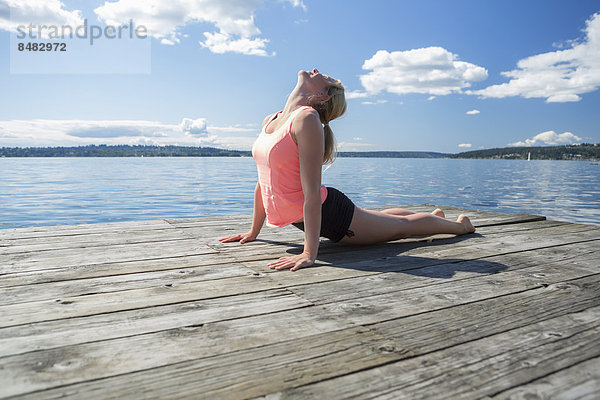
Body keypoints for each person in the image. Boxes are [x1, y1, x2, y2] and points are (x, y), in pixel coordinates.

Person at [219, 68, 475, 271]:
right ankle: (435, 216)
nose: (317, 70)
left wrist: (309, 253)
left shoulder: (307, 120)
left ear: (323, 96)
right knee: (382, 217)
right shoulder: (272, 120)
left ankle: (460, 226)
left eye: (325, 76)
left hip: (332, 216)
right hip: (317, 212)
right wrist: (254, 232)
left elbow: (310, 195)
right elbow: (263, 182)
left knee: (401, 227)